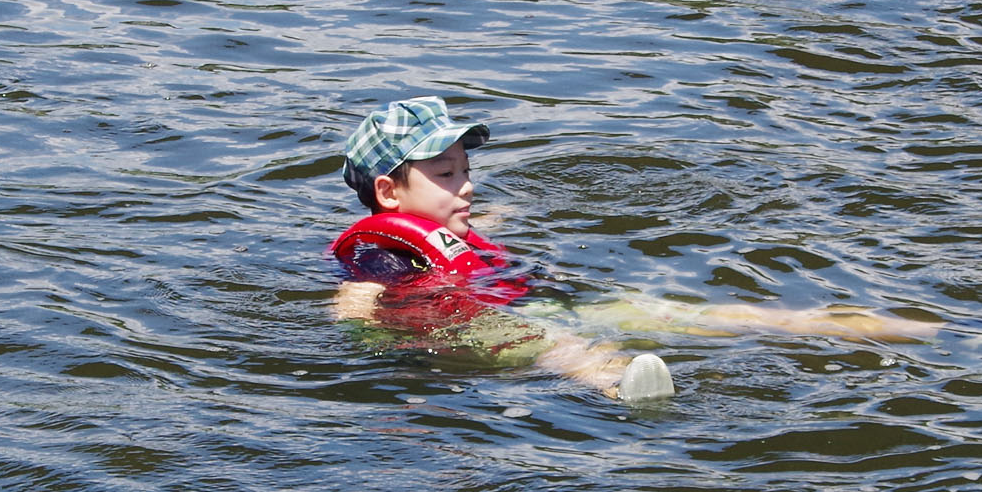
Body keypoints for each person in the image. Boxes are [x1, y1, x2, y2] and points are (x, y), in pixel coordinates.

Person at [328, 96, 937, 403]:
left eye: (464, 169)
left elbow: (472, 231)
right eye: (445, 174)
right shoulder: (384, 252)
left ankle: (875, 326)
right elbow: (361, 293)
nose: (466, 185)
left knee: (679, 313)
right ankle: (618, 383)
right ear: (389, 192)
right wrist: (361, 328)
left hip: (529, 302)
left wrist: (514, 211)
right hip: (468, 324)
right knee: (561, 347)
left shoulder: (453, 228)